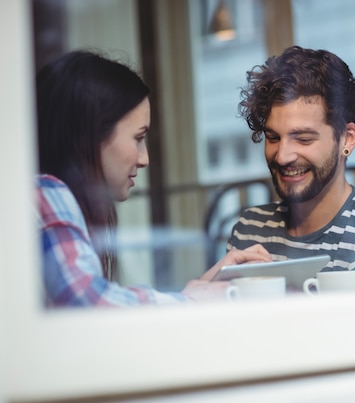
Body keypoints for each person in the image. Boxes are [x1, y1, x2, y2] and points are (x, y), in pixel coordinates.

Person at [36, 50, 271, 307]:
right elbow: (88, 302)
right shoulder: (47, 193)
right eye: (138, 138)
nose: (144, 158)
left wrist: (204, 287)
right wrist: (188, 300)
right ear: (90, 135)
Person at [228, 46, 355, 286]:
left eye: (303, 139)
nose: (282, 157)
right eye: (273, 138)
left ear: (347, 138)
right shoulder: (251, 229)